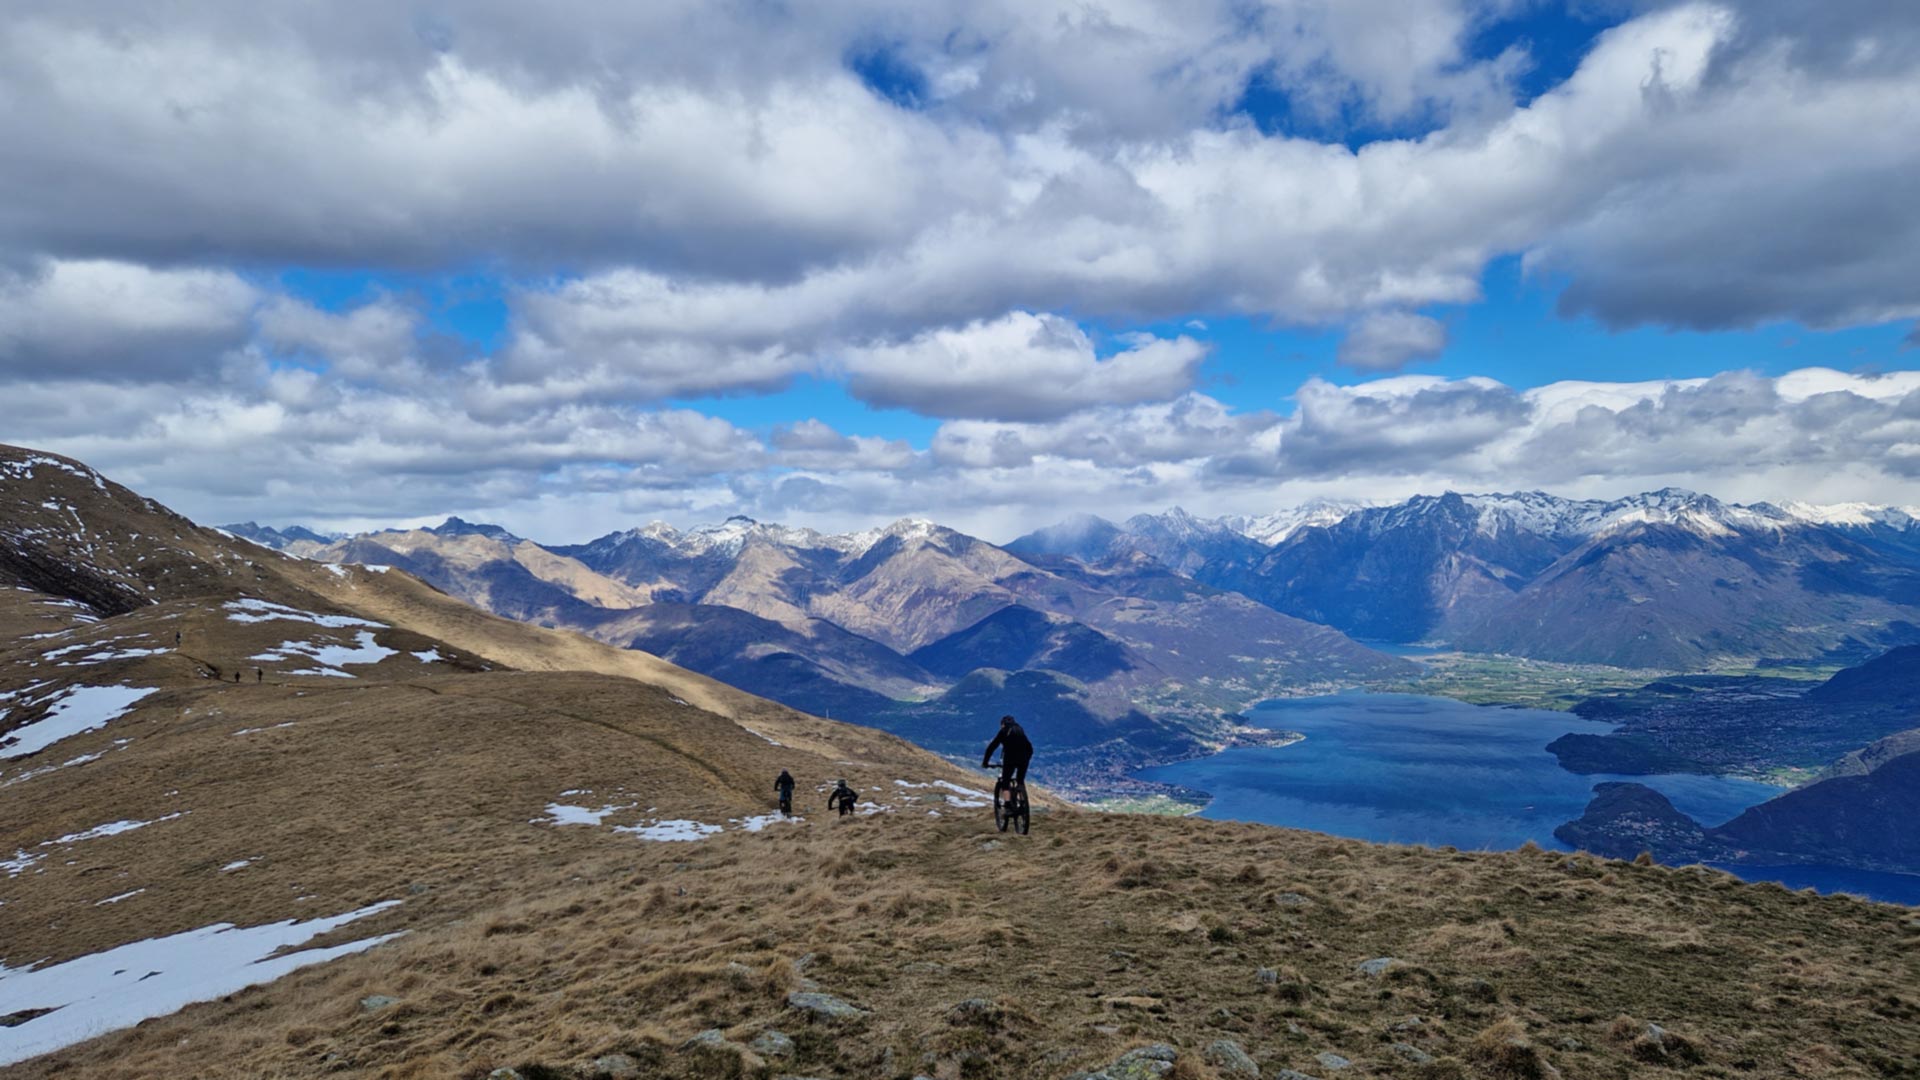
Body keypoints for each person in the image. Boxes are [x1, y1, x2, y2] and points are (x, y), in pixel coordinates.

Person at [982, 714, 1033, 794]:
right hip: (1025, 758)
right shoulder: (1019, 729)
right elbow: (1029, 747)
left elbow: (991, 747)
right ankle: (1022, 794)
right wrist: (1027, 759)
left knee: (1005, 783)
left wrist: (985, 762)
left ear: (1003, 724)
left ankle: (1007, 800)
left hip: (1010, 758)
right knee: (1020, 780)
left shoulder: (1003, 731)